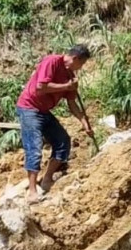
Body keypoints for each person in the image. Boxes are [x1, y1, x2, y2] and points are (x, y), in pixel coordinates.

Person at [15, 44, 95, 200]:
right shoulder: (51, 61)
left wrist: (84, 122)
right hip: (29, 108)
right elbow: (40, 87)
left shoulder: (70, 76)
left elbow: (72, 104)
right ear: (75, 58)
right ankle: (32, 192)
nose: (81, 67)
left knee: (63, 142)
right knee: (34, 147)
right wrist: (66, 86)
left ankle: (47, 179)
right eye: (82, 63)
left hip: (44, 111)